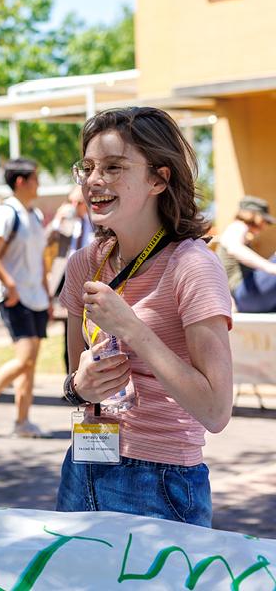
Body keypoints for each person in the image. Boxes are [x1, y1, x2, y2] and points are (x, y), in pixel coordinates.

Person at [56, 107, 233, 527]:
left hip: (162, 479)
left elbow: (216, 411)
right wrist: (77, 386)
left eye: (114, 167)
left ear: (159, 178)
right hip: (84, 465)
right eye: (88, 167)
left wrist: (131, 328)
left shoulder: (193, 266)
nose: (94, 181)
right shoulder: (84, 263)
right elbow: (74, 384)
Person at [0, 158, 50, 437]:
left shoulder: (34, 215)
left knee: (29, 363)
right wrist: (11, 285)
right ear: (21, 181)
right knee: (25, 359)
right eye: (36, 178)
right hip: (14, 296)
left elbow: (40, 260)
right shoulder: (5, 213)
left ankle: (22, 422)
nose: (39, 184)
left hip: (36, 296)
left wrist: (47, 295)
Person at [46, 185, 94, 371]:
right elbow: (44, 240)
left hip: (92, 281)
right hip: (67, 281)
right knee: (70, 333)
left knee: (92, 335)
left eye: (79, 202)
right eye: (71, 201)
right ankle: (71, 378)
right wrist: (57, 220)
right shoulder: (66, 223)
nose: (74, 205)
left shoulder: (97, 223)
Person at [216, 195, 276, 313]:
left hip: (246, 301)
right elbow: (234, 248)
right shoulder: (237, 226)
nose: (265, 226)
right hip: (243, 295)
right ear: (254, 215)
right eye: (265, 221)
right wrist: (271, 268)